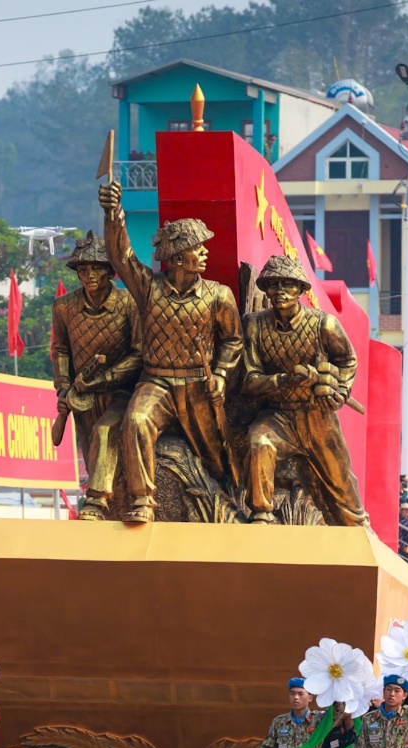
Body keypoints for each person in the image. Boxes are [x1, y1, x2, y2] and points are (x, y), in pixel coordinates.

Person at [99, 179, 242, 524]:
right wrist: (113, 212)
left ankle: (234, 504)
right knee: (135, 420)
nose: (206, 253)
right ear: (178, 257)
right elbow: (120, 256)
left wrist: (221, 374)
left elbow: (234, 341)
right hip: (157, 383)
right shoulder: (148, 288)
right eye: (199, 248)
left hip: (198, 386)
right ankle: (143, 499)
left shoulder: (219, 296)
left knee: (216, 455)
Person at [240, 255, 366, 526]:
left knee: (341, 480)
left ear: (301, 290)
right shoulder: (254, 325)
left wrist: (339, 391)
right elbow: (250, 380)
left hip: (317, 416)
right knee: (259, 442)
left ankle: (360, 528)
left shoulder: (324, 324)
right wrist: (284, 381)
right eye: (273, 284)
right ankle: (261, 514)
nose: (280, 291)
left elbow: (347, 360)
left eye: (288, 284)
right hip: (278, 415)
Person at [50, 231, 141, 518]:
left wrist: (107, 378)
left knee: (105, 432)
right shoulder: (64, 307)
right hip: (82, 394)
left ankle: (97, 501)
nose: (89, 275)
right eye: (83, 269)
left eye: (96, 269)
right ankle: (110, 508)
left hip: (122, 391)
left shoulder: (129, 304)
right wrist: (63, 387)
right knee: (91, 453)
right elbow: (60, 349)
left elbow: (139, 353)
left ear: (110, 272)